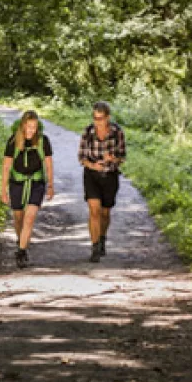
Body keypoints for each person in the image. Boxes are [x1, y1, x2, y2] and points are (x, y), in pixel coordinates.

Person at [1, 110, 54, 269]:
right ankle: (21, 241)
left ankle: (21, 251)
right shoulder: (13, 141)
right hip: (17, 182)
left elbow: (49, 164)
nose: (31, 130)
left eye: (34, 127)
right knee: (18, 217)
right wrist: (3, 190)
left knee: (29, 217)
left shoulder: (43, 141)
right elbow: (6, 167)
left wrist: (50, 185)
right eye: (29, 126)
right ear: (23, 125)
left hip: (36, 182)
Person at [77, 101, 126, 263]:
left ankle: (103, 237)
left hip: (110, 176)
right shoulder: (88, 132)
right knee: (94, 210)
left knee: (105, 212)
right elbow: (81, 158)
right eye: (95, 118)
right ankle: (95, 246)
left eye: (101, 118)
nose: (97, 122)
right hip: (91, 175)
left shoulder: (117, 132)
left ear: (108, 117)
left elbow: (122, 156)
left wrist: (113, 158)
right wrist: (92, 165)